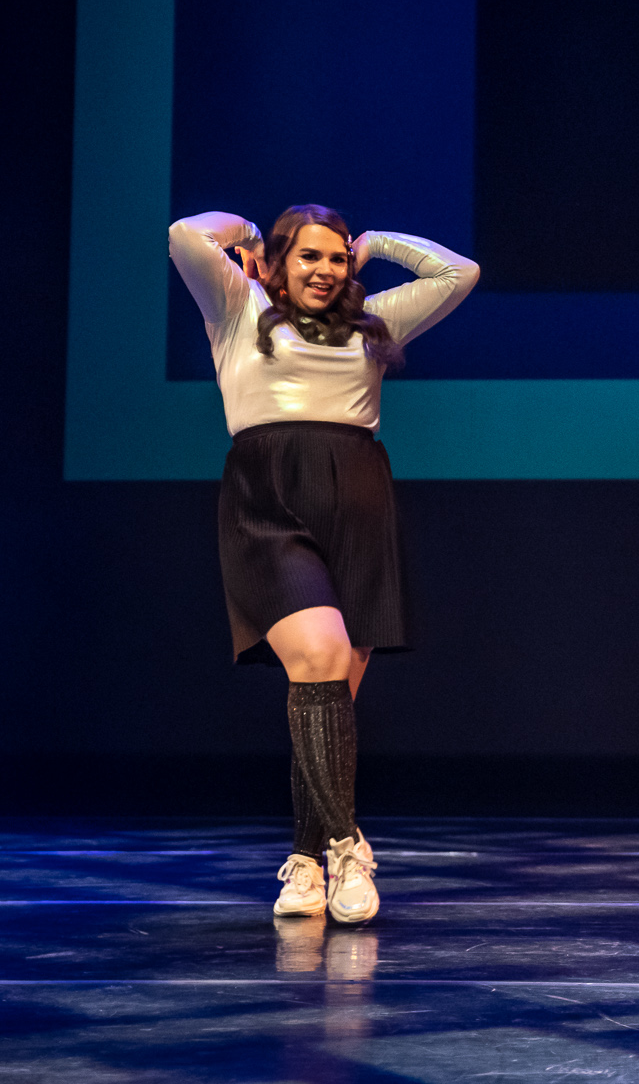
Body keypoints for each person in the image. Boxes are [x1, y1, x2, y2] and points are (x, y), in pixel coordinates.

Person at [169, 204, 479, 923]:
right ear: (280, 263)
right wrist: (249, 237)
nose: (326, 270)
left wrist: (376, 243)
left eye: (337, 258)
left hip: (359, 504)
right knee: (318, 656)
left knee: (328, 692)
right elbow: (187, 234)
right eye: (309, 256)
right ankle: (348, 845)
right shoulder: (238, 306)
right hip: (267, 500)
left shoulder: (373, 321)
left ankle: (305, 865)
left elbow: (458, 273)